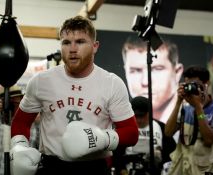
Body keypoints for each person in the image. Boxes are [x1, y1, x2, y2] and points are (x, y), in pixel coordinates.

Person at [10, 15, 139, 175]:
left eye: (80, 42)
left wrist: (102, 138)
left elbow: (131, 132)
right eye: (66, 42)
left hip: (94, 168)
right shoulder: (41, 81)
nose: (72, 49)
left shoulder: (111, 83)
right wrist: (19, 145)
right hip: (52, 167)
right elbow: (21, 122)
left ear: (95, 46)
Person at [164, 65, 213, 175]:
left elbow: (209, 140)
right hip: (183, 168)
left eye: (195, 85)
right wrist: (178, 102)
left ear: (207, 84)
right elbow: (168, 132)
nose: (191, 89)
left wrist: (198, 107)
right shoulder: (186, 107)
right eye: (187, 85)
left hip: (206, 170)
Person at [122, 35, 184, 123]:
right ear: (126, 72)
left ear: (177, 72)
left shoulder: (192, 115)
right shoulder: (119, 118)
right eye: (136, 71)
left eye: (157, 69)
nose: (145, 81)